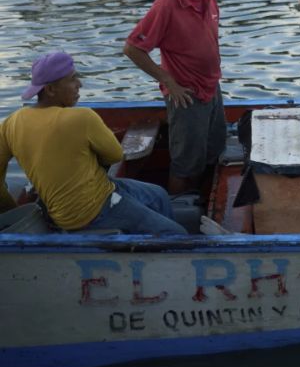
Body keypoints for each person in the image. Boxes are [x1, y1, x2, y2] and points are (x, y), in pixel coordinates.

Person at [0, 52, 186, 234]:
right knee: (177, 233)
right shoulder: (82, 117)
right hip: (93, 211)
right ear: (50, 89)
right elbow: (115, 155)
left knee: (159, 195)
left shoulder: (12, 122)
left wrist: (11, 211)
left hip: (94, 193)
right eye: (72, 79)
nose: (79, 84)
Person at [123, 0, 225, 195]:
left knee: (214, 150)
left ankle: (202, 200)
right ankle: (179, 211)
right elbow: (132, 48)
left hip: (212, 87)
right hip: (186, 94)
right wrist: (169, 81)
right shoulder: (166, 4)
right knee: (185, 164)